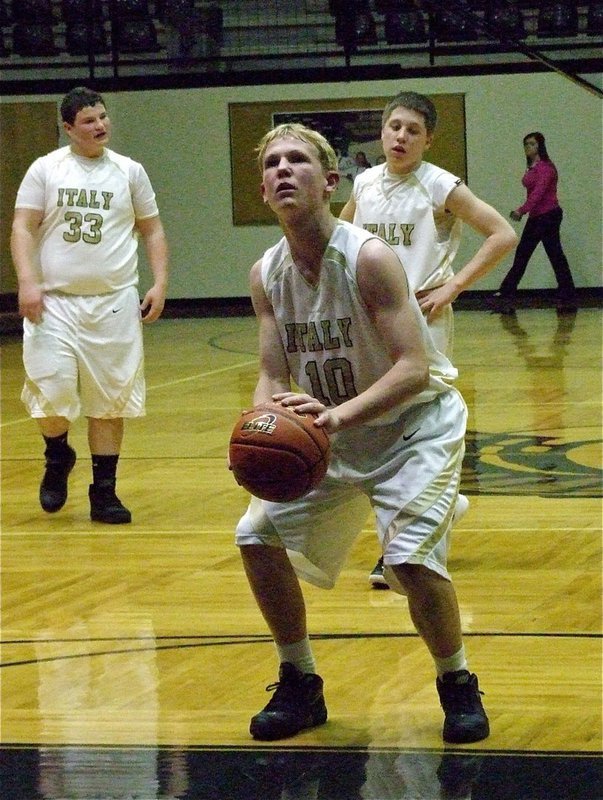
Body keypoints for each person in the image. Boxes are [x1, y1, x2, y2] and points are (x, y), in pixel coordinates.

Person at [234, 122, 490, 746]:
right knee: (254, 536)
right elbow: (272, 371)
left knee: (408, 560)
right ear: (264, 190)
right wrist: (258, 429)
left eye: (299, 160)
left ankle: (457, 683)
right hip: (335, 434)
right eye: (273, 164)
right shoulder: (265, 273)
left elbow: (414, 366)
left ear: (330, 181)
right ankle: (299, 681)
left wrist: (335, 417)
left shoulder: (369, 257)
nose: (283, 171)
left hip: (412, 429)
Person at [339, 90, 518, 587]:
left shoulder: (439, 184)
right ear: (381, 130)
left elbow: (502, 233)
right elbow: (340, 239)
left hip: (422, 321)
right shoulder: (368, 182)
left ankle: (399, 546)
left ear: (427, 139)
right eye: (394, 126)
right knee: (378, 429)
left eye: (412, 130)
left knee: (416, 427)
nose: (401, 136)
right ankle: (439, 507)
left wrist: (454, 285)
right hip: (372, 324)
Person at [11, 86, 169, 524]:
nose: (100, 125)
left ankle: (104, 493)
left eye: (102, 117)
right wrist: (28, 282)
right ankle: (58, 454)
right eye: (88, 120)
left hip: (114, 301)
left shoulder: (129, 172)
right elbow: (23, 228)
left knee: (109, 401)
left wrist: (159, 282)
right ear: (68, 128)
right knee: (53, 397)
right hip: (55, 303)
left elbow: (152, 230)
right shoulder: (45, 170)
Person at [492, 131, 577, 314]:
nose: (528, 147)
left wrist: (521, 210)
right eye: (526, 144)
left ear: (540, 146)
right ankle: (567, 291)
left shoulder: (546, 168)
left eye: (532, 144)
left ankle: (508, 291)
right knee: (543, 254)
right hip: (539, 217)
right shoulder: (533, 167)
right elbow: (533, 191)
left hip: (548, 216)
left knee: (538, 253)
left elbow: (538, 193)